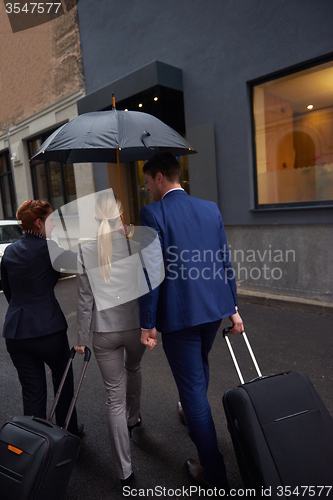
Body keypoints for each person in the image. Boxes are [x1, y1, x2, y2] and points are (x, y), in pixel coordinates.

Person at [139, 152, 244, 489]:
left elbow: (151, 273)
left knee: (194, 389)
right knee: (198, 367)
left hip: (179, 317)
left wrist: (147, 323)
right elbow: (223, 260)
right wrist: (233, 309)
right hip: (212, 311)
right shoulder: (209, 208)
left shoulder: (153, 212)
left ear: (158, 177)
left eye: (146, 182)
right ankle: (189, 408)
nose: (146, 189)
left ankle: (214, 474)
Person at [74, 191, 145, 484]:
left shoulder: (85, 249)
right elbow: (148, 287)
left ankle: (124, 472)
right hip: (135, 327)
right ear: (121, 212)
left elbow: (84, 299)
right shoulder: (135, 243)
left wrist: (80, 337)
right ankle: (134, 417)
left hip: (104, 331)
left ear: (94, 217)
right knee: (135, 368)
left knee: (112, 399)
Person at [2, 199, 82, 436]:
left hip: (17, 332)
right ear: (39, 223)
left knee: (32, 391)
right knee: (63, 382)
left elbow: (9, 292)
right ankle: (68, 433)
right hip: (49, 331)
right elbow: (82, 263)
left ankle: (34, 445)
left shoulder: (10, 252)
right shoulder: (51, 250)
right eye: (51, 220)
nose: (55, 224)